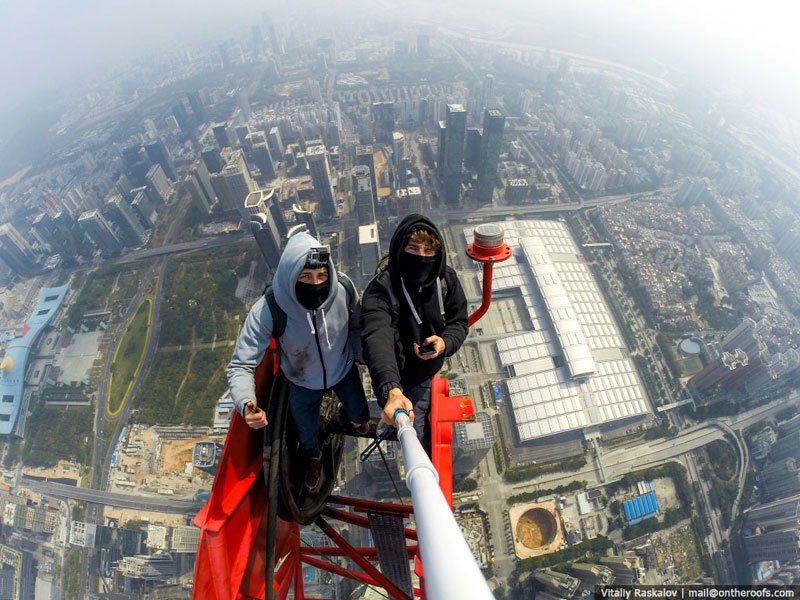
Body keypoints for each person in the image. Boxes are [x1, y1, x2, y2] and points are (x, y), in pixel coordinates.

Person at [227, 231, 370, 491]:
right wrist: (246, 403)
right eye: (305, 277)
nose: (315, 284)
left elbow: (357, 326)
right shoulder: (270, 309)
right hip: (301, 381)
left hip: (344, 368)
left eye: (321, 276)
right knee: (306, 431)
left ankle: (358, 423)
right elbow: (241, 364)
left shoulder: (343, 289)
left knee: (359, 411)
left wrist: (359, 350)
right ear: (291, 277)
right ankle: (313, 458)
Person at [361, 214, 469, 452]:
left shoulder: (446, 280)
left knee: (416, 438)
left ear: (438, 254)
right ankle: (388, 420)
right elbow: (377, 336)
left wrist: (444, 342)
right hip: (394, 376)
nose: (421, 257)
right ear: (400, 249)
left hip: (425, 375)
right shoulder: (382, 289)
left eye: (429, 251)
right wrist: (391, 389)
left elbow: (459, 321)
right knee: (410, 436)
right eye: (413, 248)